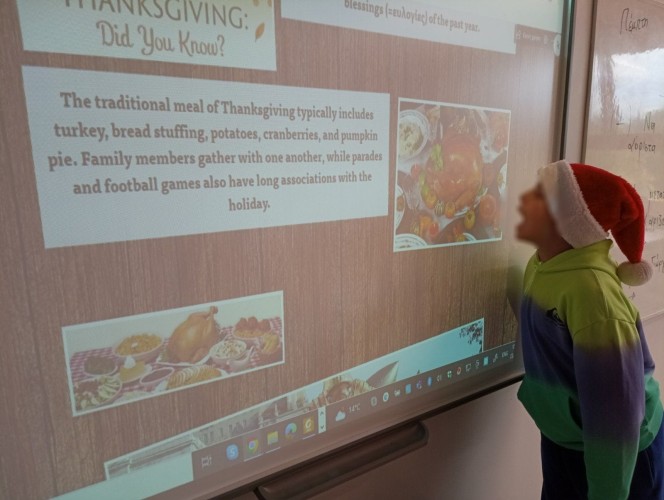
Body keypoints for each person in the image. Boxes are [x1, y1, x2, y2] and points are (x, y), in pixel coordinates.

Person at [515, 160, 663, 499]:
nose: (524, 202)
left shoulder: (593, 295)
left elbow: (617, 414)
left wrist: (608, 491)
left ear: (566, 223)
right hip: (566, 438)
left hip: (618, 455)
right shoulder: (541, 265)